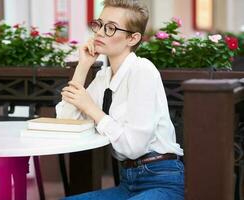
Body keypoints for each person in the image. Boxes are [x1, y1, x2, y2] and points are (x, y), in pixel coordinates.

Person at [56, 0, 184, 199]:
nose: (98, 32)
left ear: (132, 38)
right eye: (99, 25)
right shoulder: (104, 77)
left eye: (110, 28)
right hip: (127, 182)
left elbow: (134, 147)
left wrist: (92, 109)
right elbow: (65, 122)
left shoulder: (142, 70)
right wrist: (83, 66)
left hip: (161, 180)